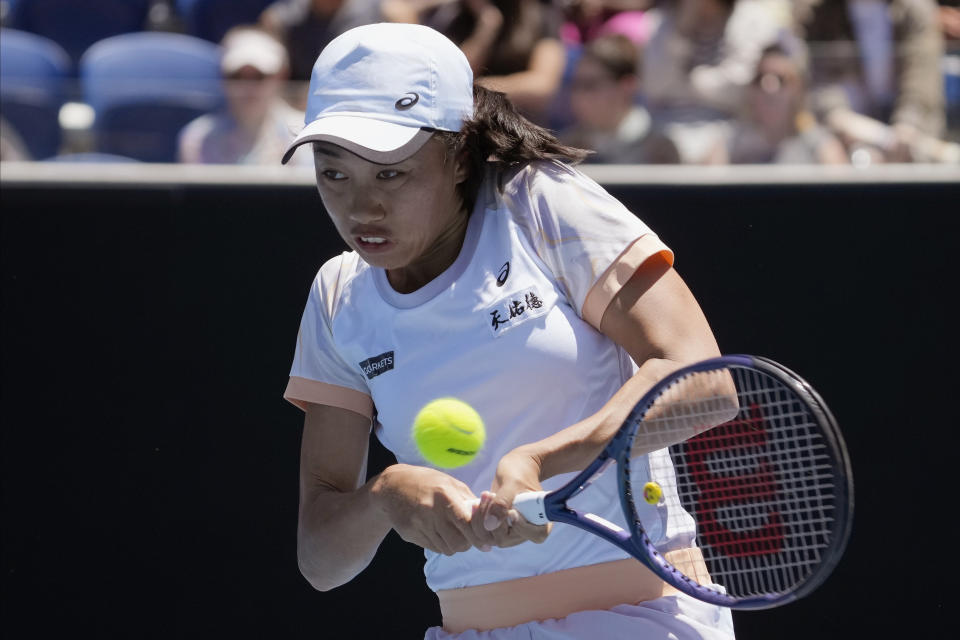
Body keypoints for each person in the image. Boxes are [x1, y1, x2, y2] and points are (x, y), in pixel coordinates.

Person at [281, 22, 734, 639]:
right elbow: (320, 561)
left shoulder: (538, 204)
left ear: (460, 156)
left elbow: (705, 383)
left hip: (645, 619)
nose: (362, 209)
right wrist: (384, 497)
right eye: (334, 175)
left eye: (391, 174)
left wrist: (540, 461)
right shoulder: (337, 297)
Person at [641, 0, 791, 163]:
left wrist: (689, 80)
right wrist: (683, 29)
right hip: (662, 134)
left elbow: (739, 90)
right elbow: (654, 87)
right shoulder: (656, 22)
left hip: (733, 133)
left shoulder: (754, 20)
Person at [177, 26, 311, 166]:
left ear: (281, 76)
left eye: (259, 76)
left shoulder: (305, 135)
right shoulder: (197, 138)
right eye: (237, 76)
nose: (248, 87)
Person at [708, 43, 848, 164]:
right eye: (760, 78)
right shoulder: (730, 143)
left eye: (781, 79)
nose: (769, 87)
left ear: (798, 89)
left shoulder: (819, 144)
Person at [560, 34, 680, 163]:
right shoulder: (566, 148)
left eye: (590, 84)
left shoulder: (660, 150)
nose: (579, 95)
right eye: (576, 84)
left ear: (627, 86)